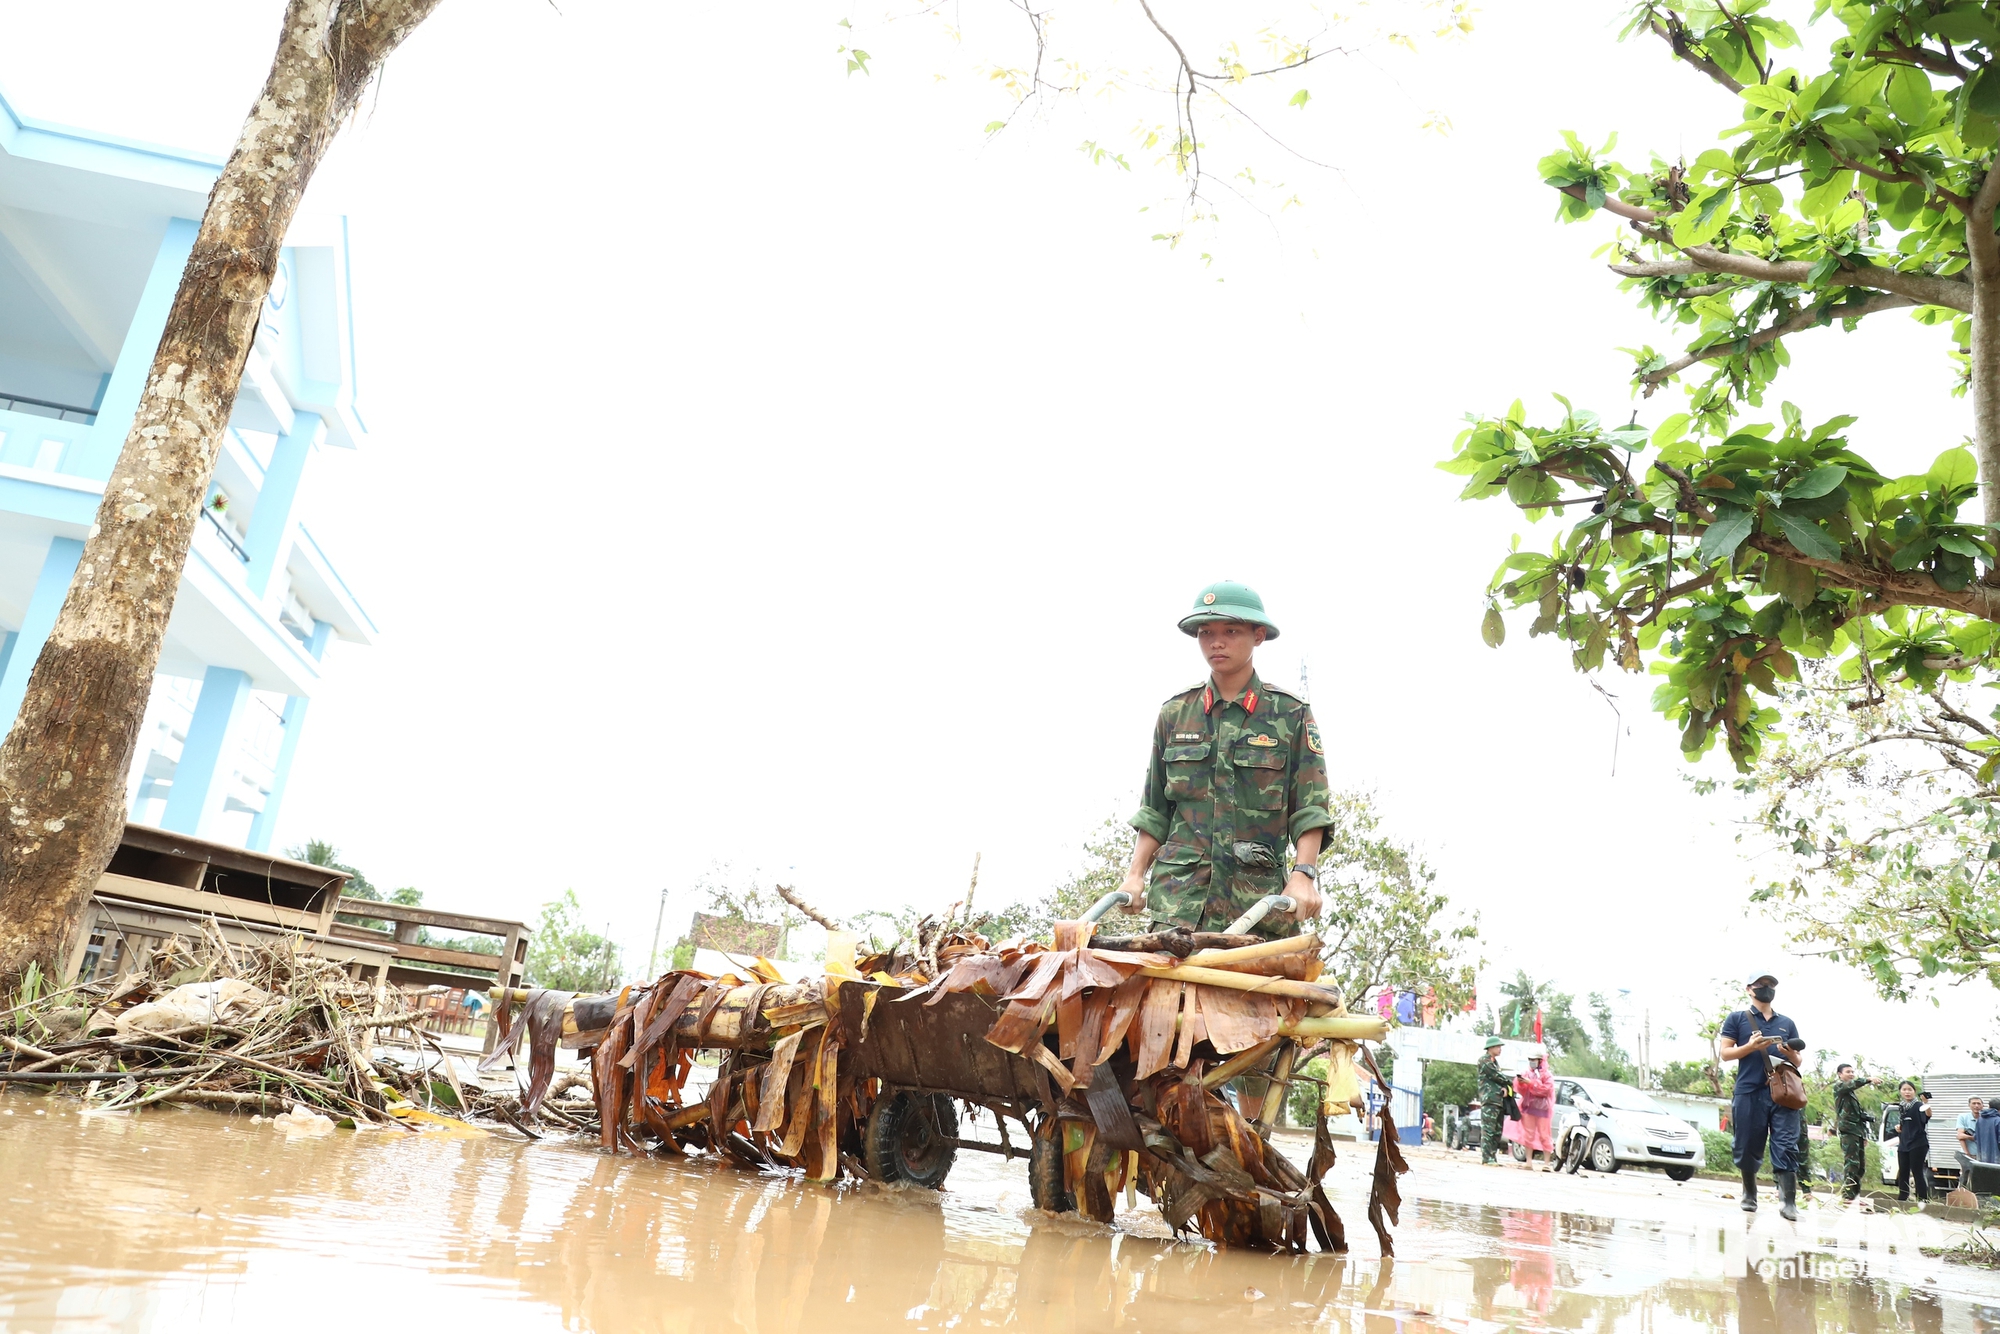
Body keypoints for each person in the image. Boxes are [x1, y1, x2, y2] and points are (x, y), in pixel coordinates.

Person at [1121, 581, 1331, 936]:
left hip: (1258, 908)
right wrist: (1134, 876)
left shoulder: (1290, 714)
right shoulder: (1176, 713)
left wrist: (1303, 876)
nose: (1216, 642)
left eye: (1231, 631)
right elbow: (1155, 811)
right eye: (1206, 632)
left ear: (1258, 635)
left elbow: (1310, 810)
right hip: (1179, 908)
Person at [1717, 970, 1804, 1219]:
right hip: (1749, 1090)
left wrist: (1787, 1051)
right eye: (1761, 984)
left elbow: (1798, 1060)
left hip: (1782, 1092)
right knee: (1746, 1144)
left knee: (1786, 1144)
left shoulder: (1786, 1022)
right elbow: (1725, 1053)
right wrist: (1750, 1047)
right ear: (1749, 989)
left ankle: (1788, 1201)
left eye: (1770, 985)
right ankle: (1749, 1193)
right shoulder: (1737, 1018)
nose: (1766, 988)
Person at [1831, 1063, 1876, 1203]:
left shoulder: (1851, 1093)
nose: (1851, 1074)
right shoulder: (1839, 1087)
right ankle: (1847, 1195)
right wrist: (1868, 1079)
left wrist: (1864, 1133)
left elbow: (1857, 1115)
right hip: (1848, 1130)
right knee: (1852, 1163)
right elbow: (1852, 1084)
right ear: (1839, 1074)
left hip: (1857, 1131)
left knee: (1860, 1165)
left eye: (1852, 1071)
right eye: (1847, 1071)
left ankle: (1855, 1195)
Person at [1513, 1055, 1555, 1171]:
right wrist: (1521, 1082)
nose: (1532, 1062)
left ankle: (1546, 1163)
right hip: (1529, 1107)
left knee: (1544, 1134)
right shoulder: (1527, 1073)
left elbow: (1546, 1090)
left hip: (1543, 1109)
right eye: (1530, 1060)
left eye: (1534, 1060)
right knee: (1528, 1134)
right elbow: (1521, 1090)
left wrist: (1531, 1083)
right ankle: (1528, 1162)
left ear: (1540, 1061)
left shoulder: (1547, 1075)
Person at [1893, 1080, 1932, 1202]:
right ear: (1900, 1091)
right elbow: (1905, 1123)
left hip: (1918, 1143)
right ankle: (1903, 1197)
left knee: (1917, 1171)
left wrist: (1926, 1103)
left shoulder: (1919, 1105)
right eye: (1904, 1089)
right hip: (1904, 1143)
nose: (1907, 1092)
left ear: (1914, 1091)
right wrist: (1899, 1128)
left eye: (1910, 1089)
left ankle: (1922, 1199)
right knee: (1903, 1171)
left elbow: (1927, 1116)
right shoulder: (1902, 1106)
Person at [1477, 1036, 1511, 1166]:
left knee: (1497, 1131)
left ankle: (1492, 1156)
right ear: (1490, 1048)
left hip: (1498, 1101)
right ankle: (1486, 1158)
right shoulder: (1484, 1061)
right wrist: (1511, 1082)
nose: (1500, 1049)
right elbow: (1496, 1076)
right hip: (1489, 1099)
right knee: (1488, 1130)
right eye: (1498, 1047)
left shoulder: (1495, 1062)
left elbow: (1497, 1080)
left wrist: (1504, 1087)